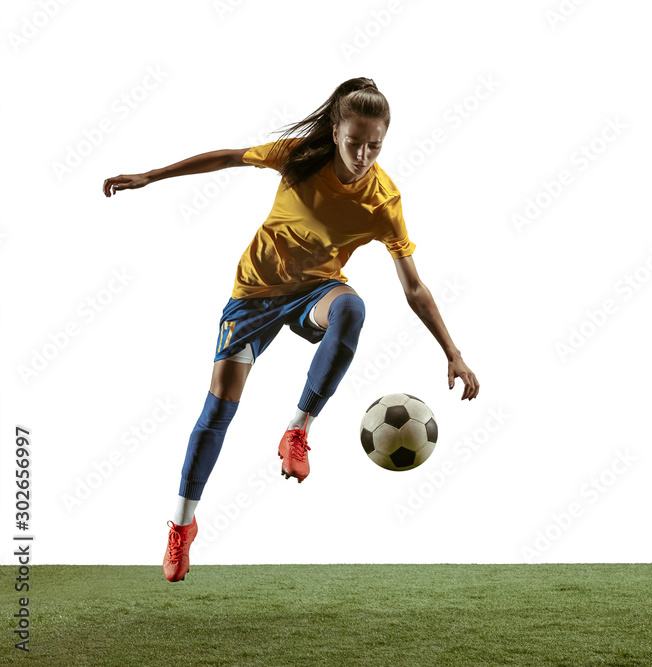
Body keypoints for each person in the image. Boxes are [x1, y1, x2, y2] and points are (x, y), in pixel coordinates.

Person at [102, 77, 480, 582]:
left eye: (375, 145)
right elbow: (229, 159)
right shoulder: (300, 157)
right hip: (254, 296)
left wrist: (452, 351)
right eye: (354, 142)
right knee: (217, 410)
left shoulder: (383, 202)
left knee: (352, 309)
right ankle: (181, 526)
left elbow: (413, 287)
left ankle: (297, 430)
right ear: (335, 129)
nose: (363, 154)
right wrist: (151, 176)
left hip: (313, 295)